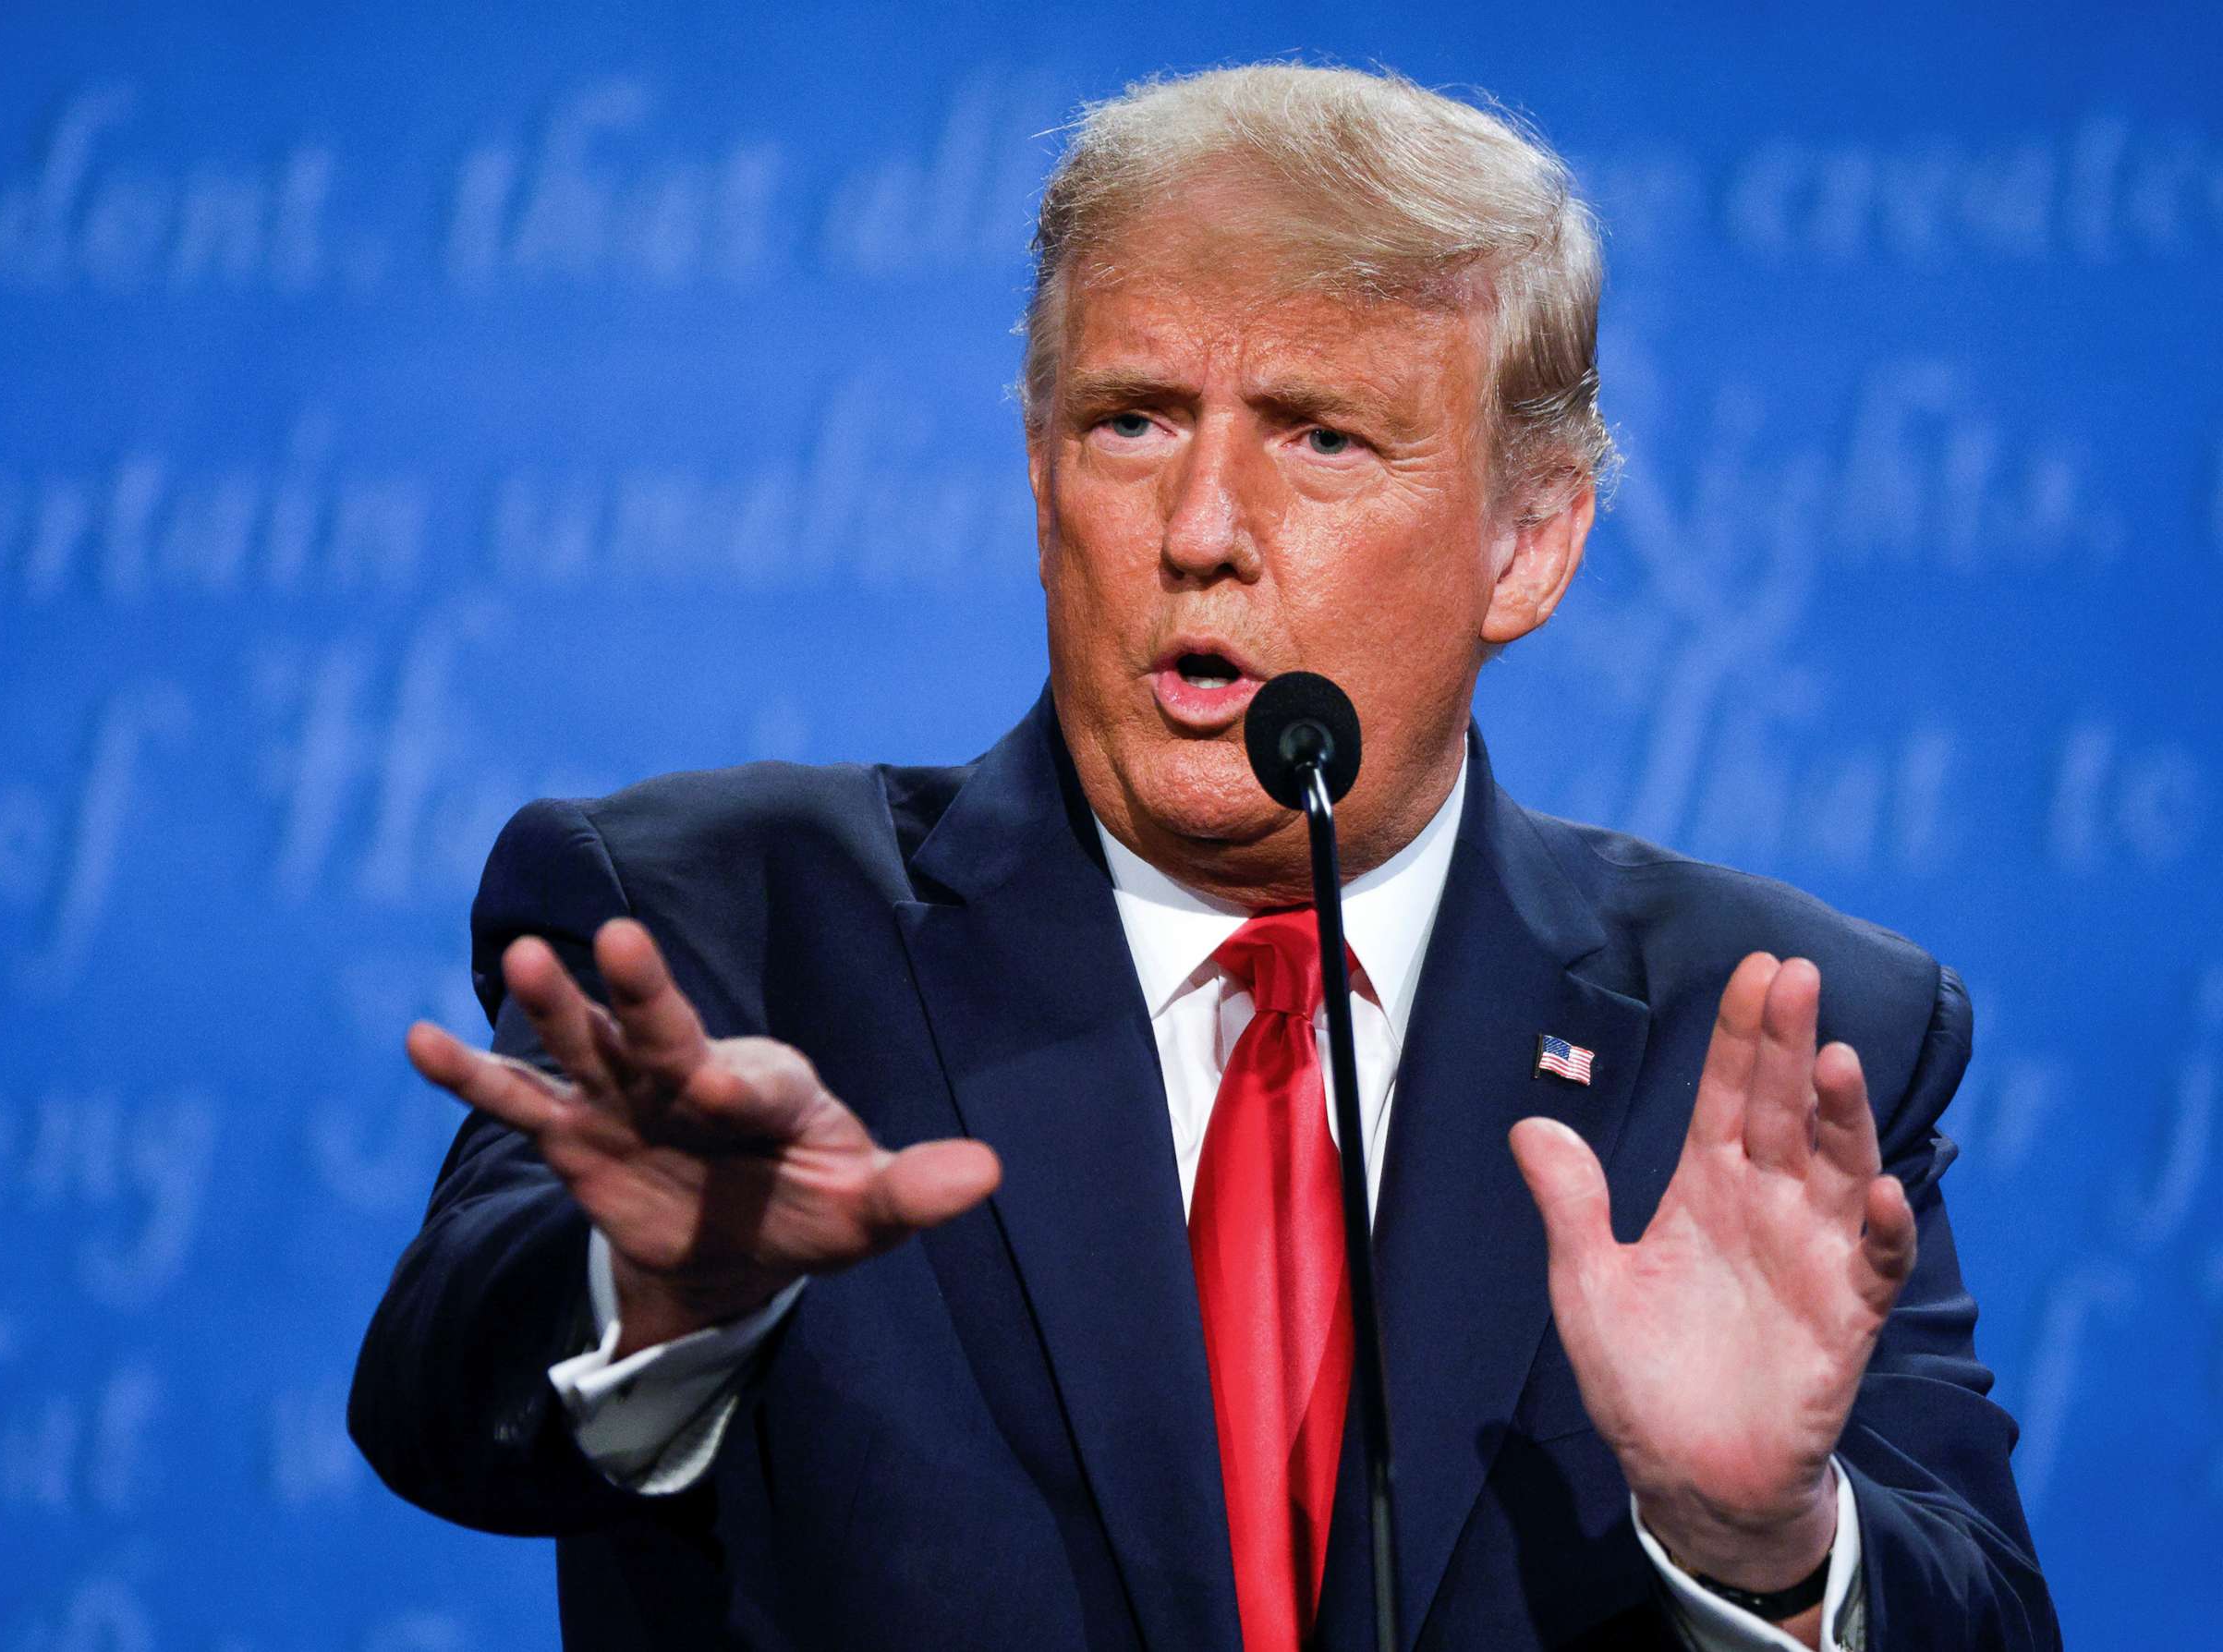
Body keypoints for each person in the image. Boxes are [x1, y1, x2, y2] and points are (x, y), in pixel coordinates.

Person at [349, 65, 2059, 1651]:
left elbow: (1984, 1609)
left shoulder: (1759, 1039)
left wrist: (1766, 1540)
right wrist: (655, 1288)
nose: (1202, 532)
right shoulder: (723, 929)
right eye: (1134, 422)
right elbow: (442, 1409)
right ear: (1039, 477)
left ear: (1527, 546)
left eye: (1320, 435)